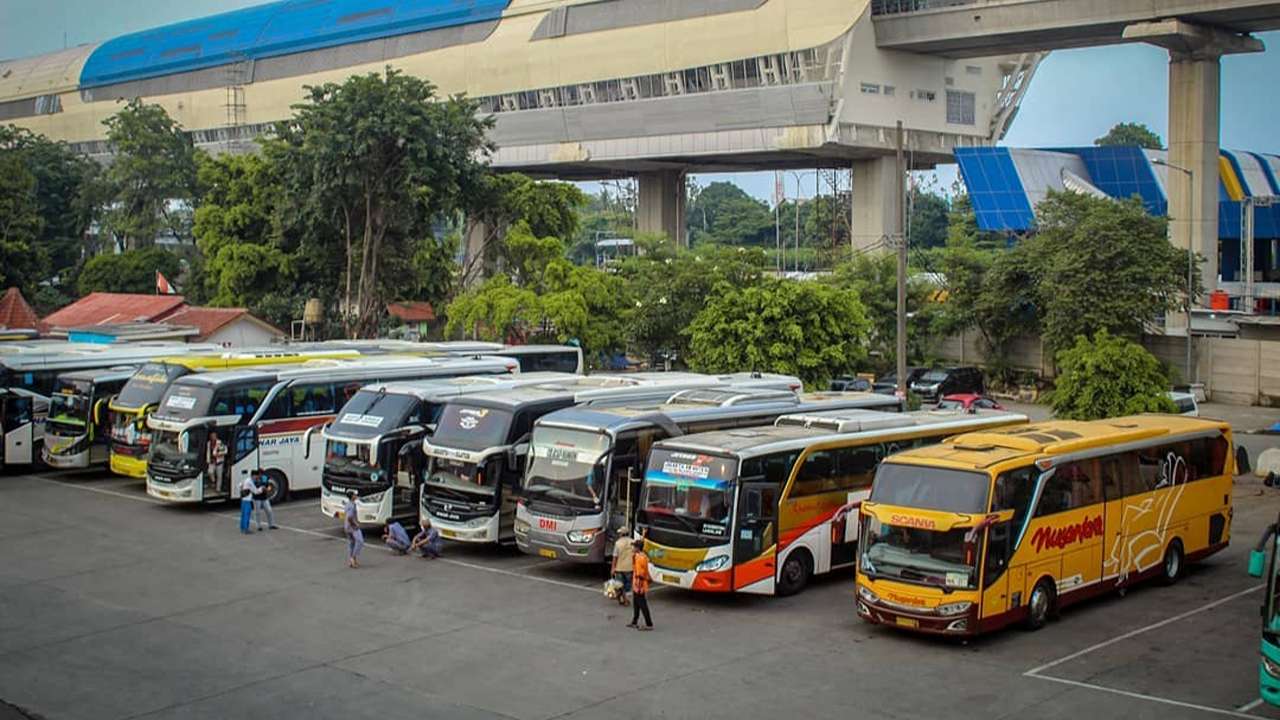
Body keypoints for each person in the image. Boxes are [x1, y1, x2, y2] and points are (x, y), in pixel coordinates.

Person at [627, 538, 653, 631]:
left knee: (642, 604)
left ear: (638, 548)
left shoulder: (640, 558)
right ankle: (635, 621)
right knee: (636, 604)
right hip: (637, 583)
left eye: (634, 546)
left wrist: (638, 586)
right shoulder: (639, 556)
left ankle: (649, 623)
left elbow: (641, 574)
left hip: (639, 584)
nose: (632, 548)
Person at [610, 526, 635, 606]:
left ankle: (623, 599)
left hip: (619, 567)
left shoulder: (618, 543)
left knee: (619, 585)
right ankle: (623, 598)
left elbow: (615, 556)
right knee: (627, 586)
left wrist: (613, 568)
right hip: (630, 568)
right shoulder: (633, 542)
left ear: (622, 534)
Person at [342, 490, 363, 568]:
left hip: (347, 526)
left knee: (351, 543)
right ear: (352, 496)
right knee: (360, 541)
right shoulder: (352, 505)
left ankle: (352, 560)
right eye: (354, 495)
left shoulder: (348, 504)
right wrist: (355, 525)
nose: (356, 496)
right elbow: (350, 517)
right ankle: (353, 557)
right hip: (352, 527)